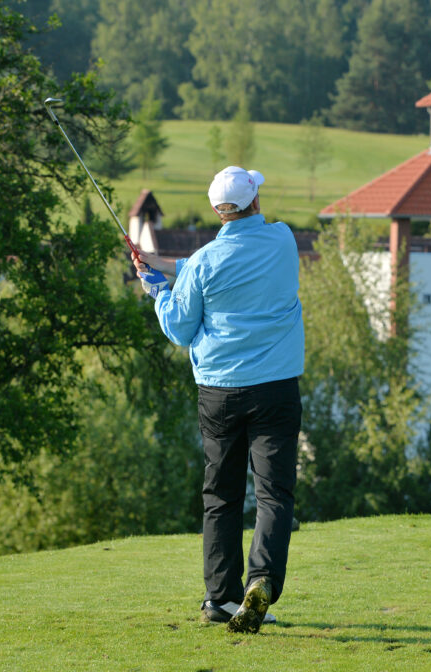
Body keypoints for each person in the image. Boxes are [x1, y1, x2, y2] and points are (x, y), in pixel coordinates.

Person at [132, 166, 304, 634]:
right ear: (255, 202)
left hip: (220, 393)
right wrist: (166, 267)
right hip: (277, 388)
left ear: (216, 210)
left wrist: (159, 289)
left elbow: (180, 327)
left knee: (221, 496)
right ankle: (262, 580)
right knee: (273, 494)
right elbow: (229, 261)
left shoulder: (203, 263)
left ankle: (221, 598)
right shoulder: (284, 240)